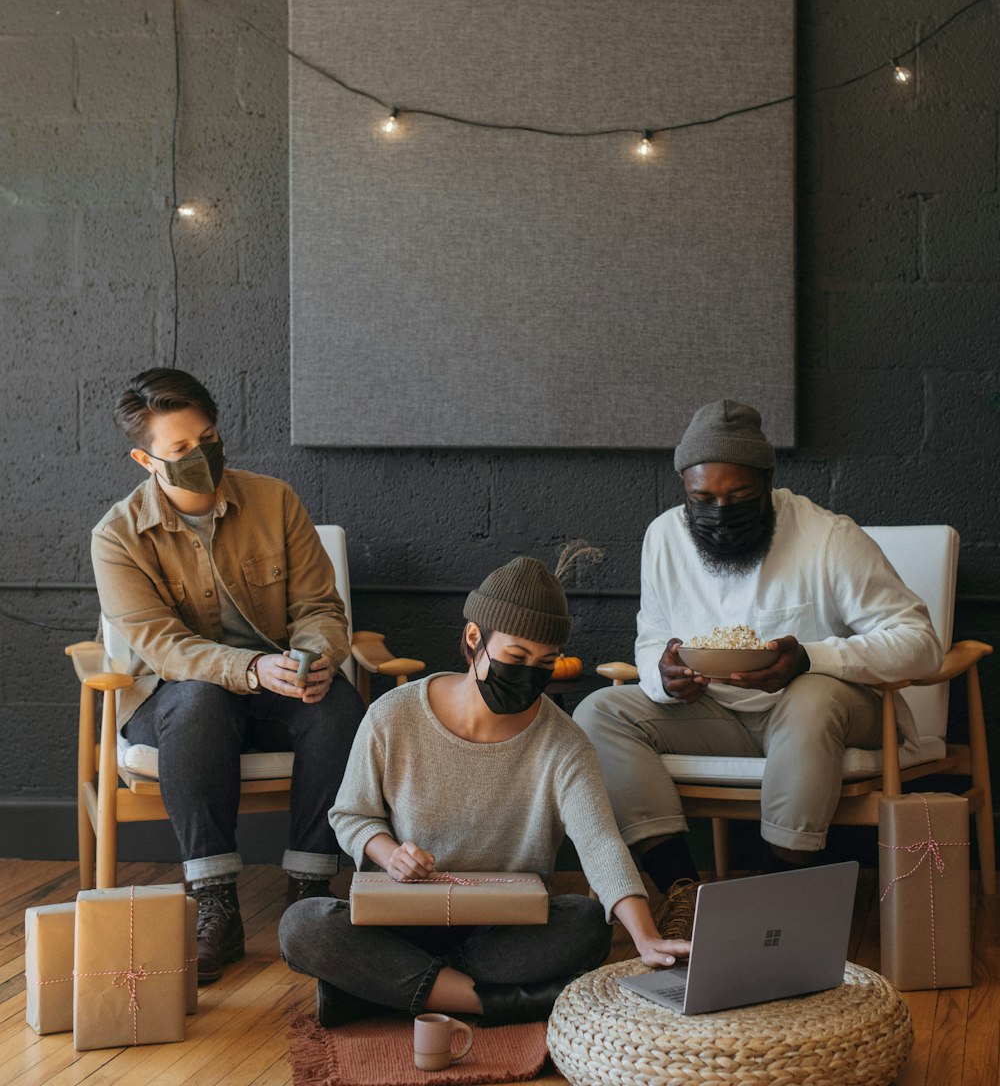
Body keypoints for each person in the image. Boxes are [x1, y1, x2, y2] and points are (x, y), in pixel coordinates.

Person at [573, 398, 943, 927]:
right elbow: (651, 638)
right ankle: (682, 893)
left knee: (810, 696)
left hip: (829, 718)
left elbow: (920, 642)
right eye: (702, 498)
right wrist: (664, 676)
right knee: (598, 711)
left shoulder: (828, 538)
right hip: (715, 713)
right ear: (684, 489)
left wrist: (811, 658)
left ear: (768, 482)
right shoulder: (664, 538)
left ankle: (772, 896)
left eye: (739, 495)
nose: (719, 511)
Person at [279, 557, 690, 1028]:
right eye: (516, 658)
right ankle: (491, 1003)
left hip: (503, 930)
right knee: (302, 925)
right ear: (475, 639)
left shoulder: (564, 744)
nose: (530, 675)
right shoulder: (393, 716)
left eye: (545, 663)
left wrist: (646, 937)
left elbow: (599, 841)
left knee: (584, 924)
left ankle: (383, 992)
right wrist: (390, 854)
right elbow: (351, 816)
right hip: (402, 920)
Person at [92, 367, 365, 982]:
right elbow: (163, 648)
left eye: (207, 438)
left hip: (278, 683)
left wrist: (312, 657)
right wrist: (250, 668)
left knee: (339, 705)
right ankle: (214, 902)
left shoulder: (275, 500)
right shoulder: (117, 536)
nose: (201, 455)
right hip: (174, 698)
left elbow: (321, 607)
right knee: (199, 702)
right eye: (180, 450)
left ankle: (310, 894)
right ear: (145, 459)